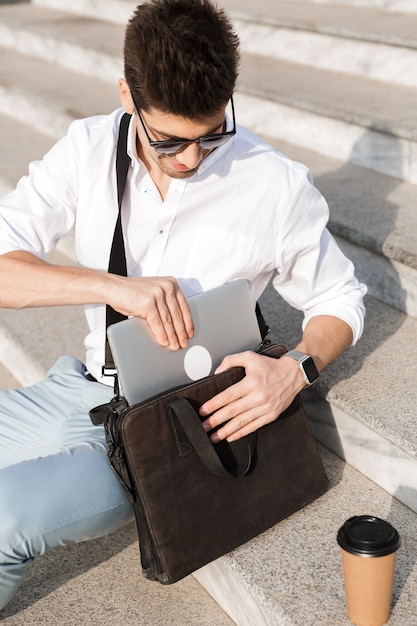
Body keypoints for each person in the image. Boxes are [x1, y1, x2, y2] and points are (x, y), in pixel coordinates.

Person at [0, 0, 366, 610]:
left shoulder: (274, 184)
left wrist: (295, 369)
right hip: (85, 389)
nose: (192, 159)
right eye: (170, 140)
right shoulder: (88, 149)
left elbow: (341, 297)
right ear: (126, 94)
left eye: (211, 134)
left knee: (5, 516)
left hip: (177, 428)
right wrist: (113, 287)